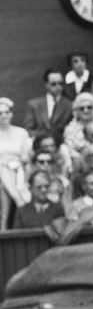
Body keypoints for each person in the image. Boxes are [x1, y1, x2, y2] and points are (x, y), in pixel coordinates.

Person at [0, 97, 33, 230]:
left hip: (19, 171)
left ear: (11, 114)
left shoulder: (21, 133)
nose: (3, 116)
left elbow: (26, 159)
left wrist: (26, 178)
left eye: (6, 112)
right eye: (0, 113)